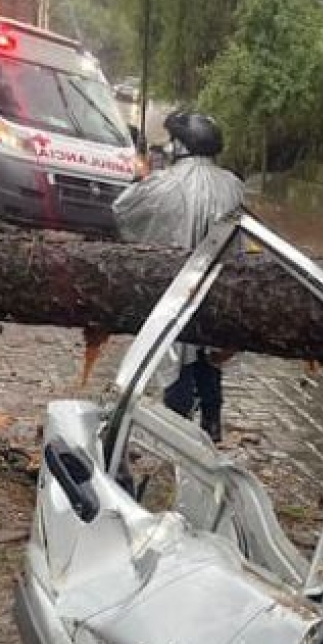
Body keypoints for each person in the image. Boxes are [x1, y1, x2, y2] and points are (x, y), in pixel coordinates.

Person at [113, 110, 244, 442]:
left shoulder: (164, 182)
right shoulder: (234, 186)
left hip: (175, 290)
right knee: (208, 359)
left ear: (180, 145)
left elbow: (123, 212)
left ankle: (177, 437)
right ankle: (212, 427)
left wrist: (139, 175)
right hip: (219, 291)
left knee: (176, 360)